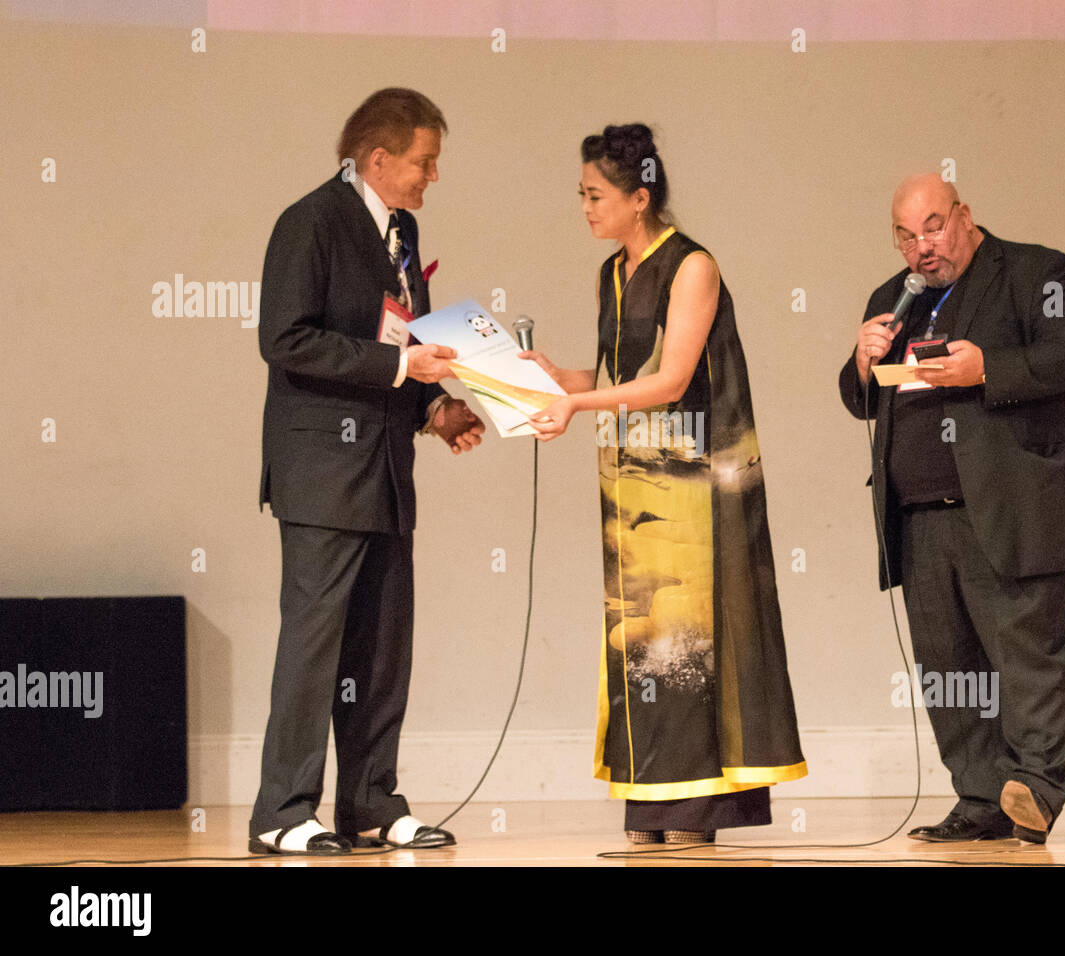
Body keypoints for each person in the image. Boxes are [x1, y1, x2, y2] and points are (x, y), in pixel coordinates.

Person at [526, 124, 806, 844]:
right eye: (583, 194)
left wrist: (576, 406)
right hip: (631, 485)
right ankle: (651, 801)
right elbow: (625, 379)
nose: (585, 207)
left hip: (691, 486)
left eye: (596, 195)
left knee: (683, 639)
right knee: (639, 638)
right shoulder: (610, 273)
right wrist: (565, 380)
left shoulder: (692, 266)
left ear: (639, 197)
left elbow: (675, 378)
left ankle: (693, 807)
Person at [249, 88, 485, 855]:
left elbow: (401, 337)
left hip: (386, 471)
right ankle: (283, 812)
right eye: (424, 162)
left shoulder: (402, 230)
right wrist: (400, 366)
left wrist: (434, 409)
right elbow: (286, 340)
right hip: (321, 473)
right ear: (378, 159)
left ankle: (372, 803)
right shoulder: (309, 222)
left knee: (382, 649)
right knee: (314, 649)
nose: (432, 177)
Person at [838, 173, 1065, 844]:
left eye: (931, 226)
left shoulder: (1039, 270)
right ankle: (981, 798)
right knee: (949, 670)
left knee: (1027, 656)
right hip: (919, 516)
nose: (919, 247)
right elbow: (862, 400)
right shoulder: (890, 300)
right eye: (904, 235)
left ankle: (1036, 790)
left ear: (965, 216)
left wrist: (987, 368)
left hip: (1010, 506)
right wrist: (861, 365)